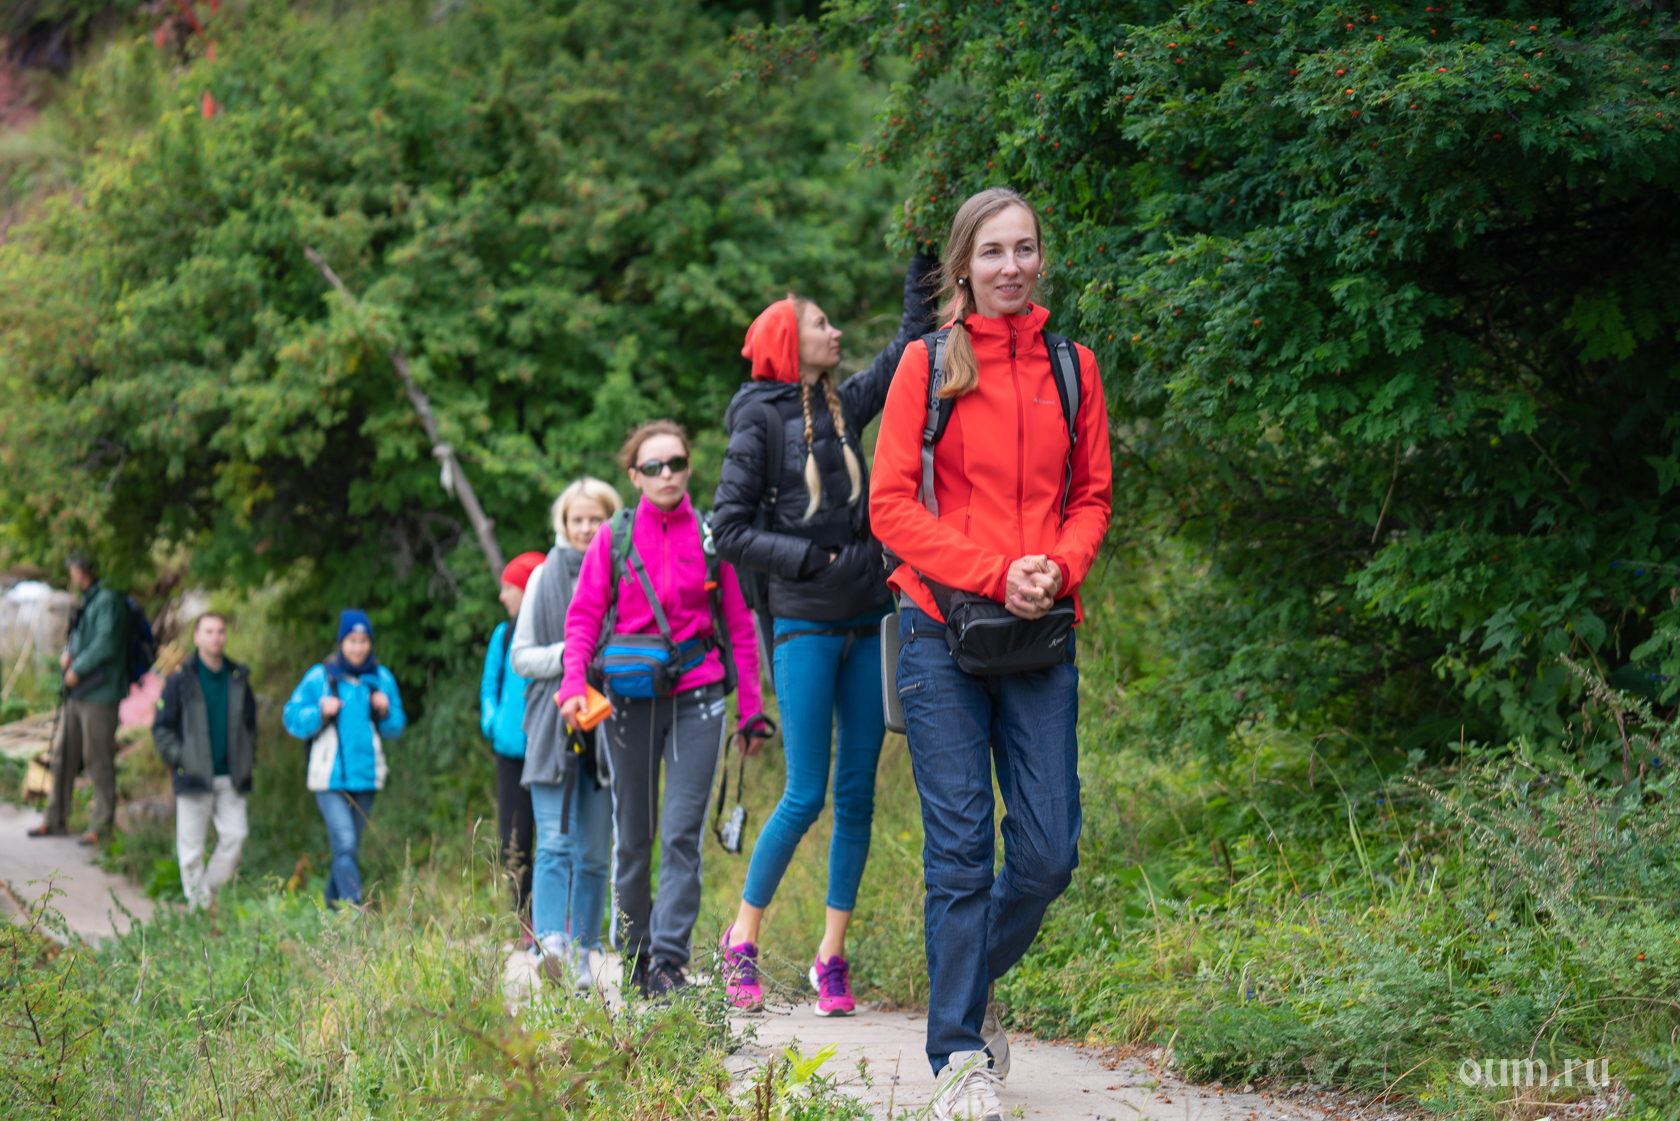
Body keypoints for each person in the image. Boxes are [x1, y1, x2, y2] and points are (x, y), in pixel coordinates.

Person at [869, 188, 1113, 1121]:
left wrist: (1058, 567)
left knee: (1048, 854)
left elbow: (1091, 497)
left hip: (1040, 629)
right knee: (962, 847)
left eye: (1025, 249)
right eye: (993, 251)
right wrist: (994, 571)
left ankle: (965, 986)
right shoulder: (926, 364)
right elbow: (890, 505)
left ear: (1041, 259)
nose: (1012, 266)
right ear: (963, 266)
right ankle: (958, 1056)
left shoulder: (1074, 368)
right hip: (941, 627)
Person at [711, 251, 940, 1015]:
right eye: (820, 323)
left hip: (868, 620)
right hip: (805, 624)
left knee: (856, 794)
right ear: (789, 341)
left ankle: (830, 957)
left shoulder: (841, 406)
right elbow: (729, 529)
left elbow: (907, 348)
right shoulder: (758, 420)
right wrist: (812, 560)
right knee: (805, 792)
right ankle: (742, 939)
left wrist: (923, 258)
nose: (835, 331)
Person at [555, 421, 769, 998]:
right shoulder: (613, 538)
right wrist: (573, 684)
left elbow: (740, 628)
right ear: (635, 476)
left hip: (699, 695)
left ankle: (668, 961)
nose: (666, 474)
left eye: (675, 463)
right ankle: (634, 953)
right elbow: (582, 618)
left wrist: (751, 710)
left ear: (688, 467)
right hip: (627, 700)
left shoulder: (711, 536)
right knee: (633, 835)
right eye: (653, 467)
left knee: (680, 835)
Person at [509, 477, 623, 986]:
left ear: (610, 520)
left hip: (607, 724)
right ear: (564, 523)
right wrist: (572, 656)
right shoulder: (542, 576)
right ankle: (550, 943)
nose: (586, 528)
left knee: (594, 852)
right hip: (552, 725)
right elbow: (521, 657)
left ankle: (582, 951)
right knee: (554, 843)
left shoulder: (624, 568)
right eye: (577, 519)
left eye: (596, 519)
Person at [282, 610, 407, 909]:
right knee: (345, 844)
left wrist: (385, 710)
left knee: (346, 849)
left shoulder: (380, 679)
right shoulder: (320, 676)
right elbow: (291, 717)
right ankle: (354, 912)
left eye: (364, 641)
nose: (358, 647)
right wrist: (319, 711)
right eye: (352, 640)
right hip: (329, 778)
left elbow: (396, 727)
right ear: (341, 642)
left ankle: (330, 906)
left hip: (367, 776)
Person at [152, 612, 258, 910]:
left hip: (230, 775)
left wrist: (247, 759)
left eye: (220, 631)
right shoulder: (179, 681)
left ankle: (205, 894)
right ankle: (200, 912)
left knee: (236, 836)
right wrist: (182, 758)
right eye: (209, 631)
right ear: (197, 637)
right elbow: (162, 728)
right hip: (194, 775)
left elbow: (251, 725)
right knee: (190, 850)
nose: (215, 637)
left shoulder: (238, 678)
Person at [31, 554, 127, 844]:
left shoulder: (107, 599)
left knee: (97, 758)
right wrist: (69, 656)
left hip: (100, 693)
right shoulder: (87, 600)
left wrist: (78, 668)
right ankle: (55, 819)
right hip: (78, 692)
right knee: (63, 755)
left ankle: (101, 826)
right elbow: (83, 638)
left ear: (79, 570)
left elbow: (107, 642)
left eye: (71, 569)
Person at [481, 551, 546, 937]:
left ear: (527, 588)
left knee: (552, 838)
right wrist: (492, 722)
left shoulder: (553, 627)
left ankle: (555, 917)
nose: (502, 595)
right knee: (514, 839)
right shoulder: (503, 634)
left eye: (509, 587)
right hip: (510, 752)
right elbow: (489, 684)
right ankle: (525, 918)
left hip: (548, 750)